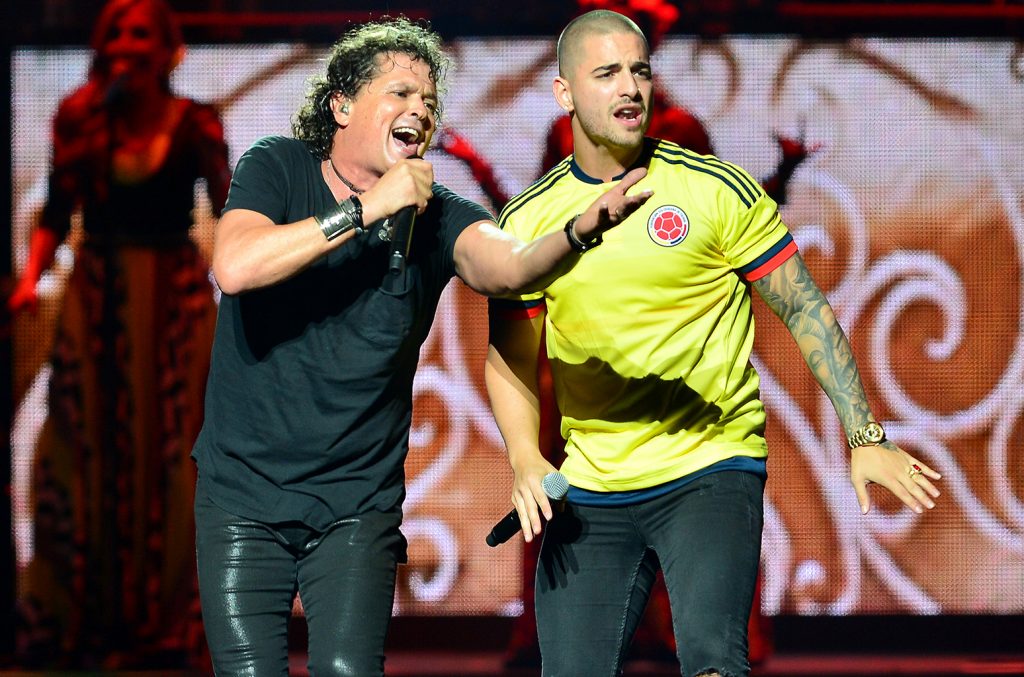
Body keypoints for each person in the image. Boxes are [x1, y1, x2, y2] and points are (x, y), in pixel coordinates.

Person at [484, 10, 942, 677]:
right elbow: (510, 348)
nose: (629, 86)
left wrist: (864, 432)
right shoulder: (534, 210)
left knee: (710, 656)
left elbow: (803, 304)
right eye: (607, 71)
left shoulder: (703, 170)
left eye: (639, 67)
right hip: (594, 456)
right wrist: (524, 455)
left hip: (708, 455)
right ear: (565, 93)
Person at [190, 16, 652, 677]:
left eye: (429, 103)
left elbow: (509, 265)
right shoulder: (278, 166)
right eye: (400, 93)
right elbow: (233, 266)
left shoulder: (436, 217)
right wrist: (364, 209)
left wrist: (576, 231)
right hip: (243, 496)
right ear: (342, 105)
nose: (420, 112)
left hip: (355, 507)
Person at [8, 0, 230, 668]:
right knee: (88, 452)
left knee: (169, 457)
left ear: (169, 49)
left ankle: (167, 624)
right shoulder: (81, 118)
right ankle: (88, 619)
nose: (128, 45)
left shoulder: (195, 124)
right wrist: (29, 277)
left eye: (142, 33)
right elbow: (55, 206)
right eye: (117, 33)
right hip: (98, 296)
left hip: (173, 303)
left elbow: (231, 209)